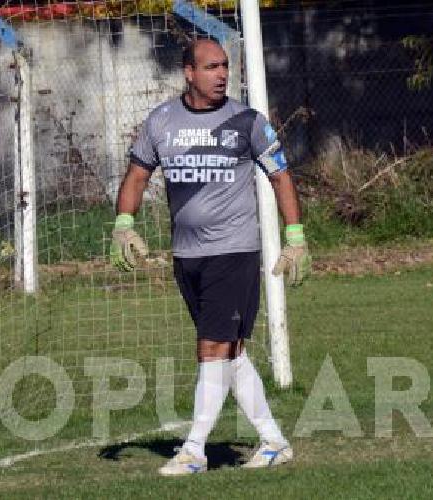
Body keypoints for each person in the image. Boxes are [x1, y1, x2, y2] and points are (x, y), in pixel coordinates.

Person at [109, 38, 312, 476]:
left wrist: (295, 236)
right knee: (231, 351)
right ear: (188, 72)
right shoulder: (162, 120)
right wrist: (124, 224)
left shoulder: (247, 121)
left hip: (234, 252)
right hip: (187, 256)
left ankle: (194, 451)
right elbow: (137, 175)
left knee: (211, 347)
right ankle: (275, 442)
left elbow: (281, 176)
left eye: (224, 66)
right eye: (210, 67)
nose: (221, 74)